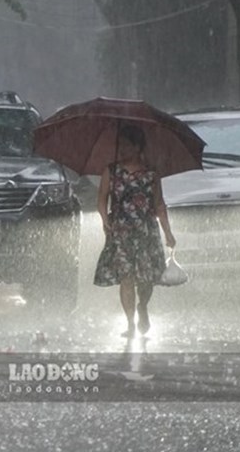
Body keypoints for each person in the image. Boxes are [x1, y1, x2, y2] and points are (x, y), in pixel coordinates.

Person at [94, 125, 176, 338]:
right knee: (127, 277)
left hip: (145, 230)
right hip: (120, 231)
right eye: (121, 145)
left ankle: (143, 306)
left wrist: (168, 233)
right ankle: (130, 323)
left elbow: (159, 204)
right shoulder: (111, 171)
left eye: (127, 145)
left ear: (138, 147)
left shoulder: (151, 174)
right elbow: (102, 198)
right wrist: (104, 220)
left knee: (146, 277)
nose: (123, 149)